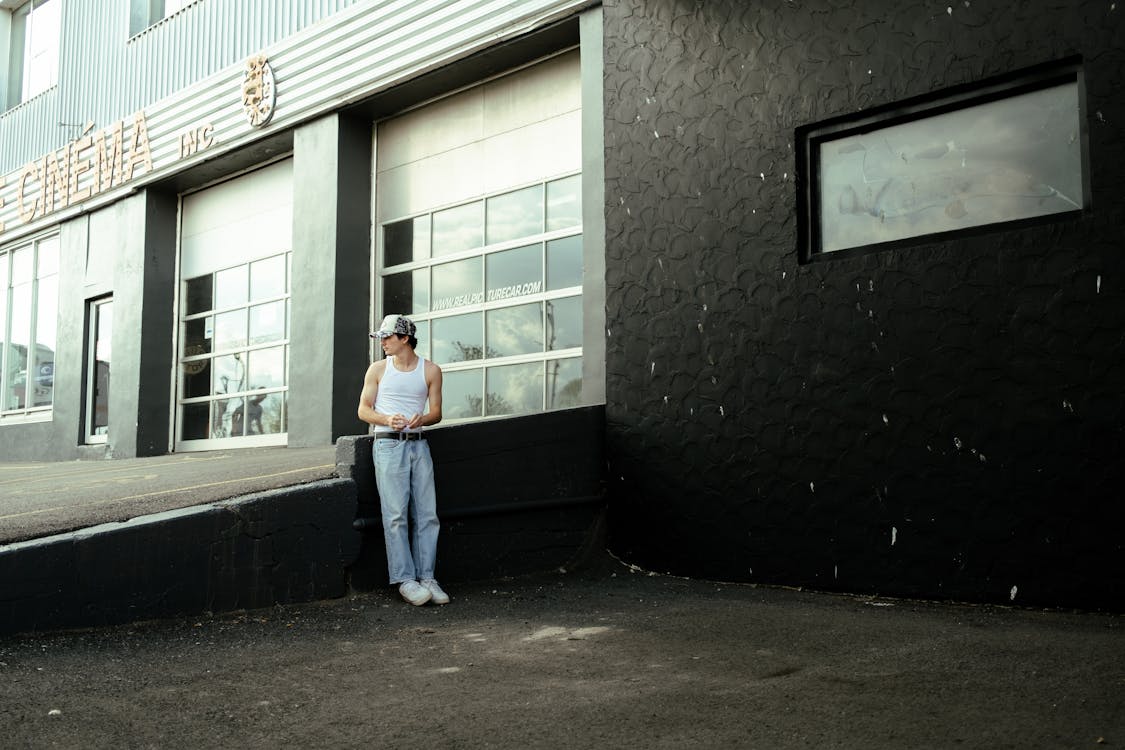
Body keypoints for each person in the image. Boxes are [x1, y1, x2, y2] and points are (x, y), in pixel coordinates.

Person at [357, 314, 449, 606]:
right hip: (387, 445)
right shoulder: (377, 370)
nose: (382, 342)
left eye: (387, 337)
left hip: (419, 446)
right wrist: (386, 419)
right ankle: (405, 580)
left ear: (404, 338)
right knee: (395, 515)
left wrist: (423, 418)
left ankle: (427, 578)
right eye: (381, 338)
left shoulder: (431, 370)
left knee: (427, 514)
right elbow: (363, 410)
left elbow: (436, 412)